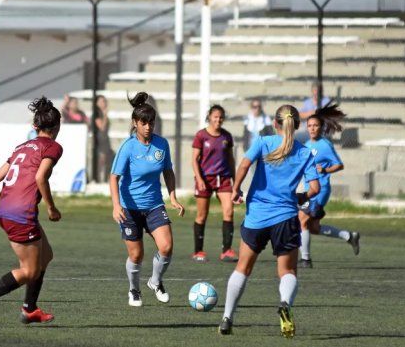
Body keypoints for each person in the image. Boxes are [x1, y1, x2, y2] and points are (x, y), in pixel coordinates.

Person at [219, 105, 320, 338]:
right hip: (285, 218)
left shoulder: (264, 143)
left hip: (256, 217)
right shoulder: (305, 152)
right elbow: (315, 187)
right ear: (297, 126)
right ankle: (285, 304)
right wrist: (302, 196)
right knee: (287, 271)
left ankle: (227, 317)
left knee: (243, 268)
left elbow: (244, 165)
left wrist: (235, 190)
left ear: (275, 124)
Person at [0, 97, 63, 327]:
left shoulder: (22, 148)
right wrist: (51, 207)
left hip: (7, 209)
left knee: (45, 256)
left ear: (35, 127)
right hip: (21, 215)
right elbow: (41, 177)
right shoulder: (53, 147)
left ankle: (29, 309)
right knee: (29, 271)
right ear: (57, 126)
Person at [110, 91, 185, 307]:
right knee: (137, 255)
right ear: (135, 123)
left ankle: (155, 281)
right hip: (129, 208)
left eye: (151, 122)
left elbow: (168, 171)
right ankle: (134, 290)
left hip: (154, 205)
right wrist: (116, 206)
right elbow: (114, 177)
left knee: (167, 246)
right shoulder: (128, 147)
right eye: (143, 122)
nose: (148, 127)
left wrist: (173, 197)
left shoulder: (162, 144)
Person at [298, 102, 360, 268]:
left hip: (320, 190)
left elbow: (339, 165)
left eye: (315, 125)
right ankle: (349, 236)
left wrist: (325, 169)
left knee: (302, 220)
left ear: (321, 127)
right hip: (309, 189)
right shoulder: (306, 145)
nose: (312, 128)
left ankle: (305, 259)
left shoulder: (324, 145)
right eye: (309, 125)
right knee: (313, 228)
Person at [191, 105, 237, 263]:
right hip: (205, 178)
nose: (218, 120)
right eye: (215, 116)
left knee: (229, 211)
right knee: (202, 215)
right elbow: (194, 160)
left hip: (223, 178)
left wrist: (235, 181)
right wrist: (199, 179)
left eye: (221, 117)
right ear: (209, 117)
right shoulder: (201, 135)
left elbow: (231, 159)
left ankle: (227, 251)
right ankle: (198, 251)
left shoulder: (227, 137)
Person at [94, 95, 114, 181]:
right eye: (101, 101)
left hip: (105, 139)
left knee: (108, 160)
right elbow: (101, 127)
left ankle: (106, 179)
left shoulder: (102, 114)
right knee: (101, 160)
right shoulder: (97, 114)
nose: (104, 103)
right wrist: (105, 114)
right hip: (100, 139)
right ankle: (98, 180)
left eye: (104, 101)